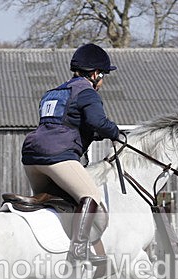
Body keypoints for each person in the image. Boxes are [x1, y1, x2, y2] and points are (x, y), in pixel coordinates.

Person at [21, 43, 121, 265]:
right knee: (91, 197)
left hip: (31, 157)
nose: (103, 81)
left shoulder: (52, 93)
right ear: (95, 74)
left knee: (57, 204)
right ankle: (77, 251)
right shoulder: (87, 92)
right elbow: (97, 121)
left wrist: (94, 135)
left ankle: (51, 253)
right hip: (57, 156)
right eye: (103, 75)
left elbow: (64, 125)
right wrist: (116, 133)